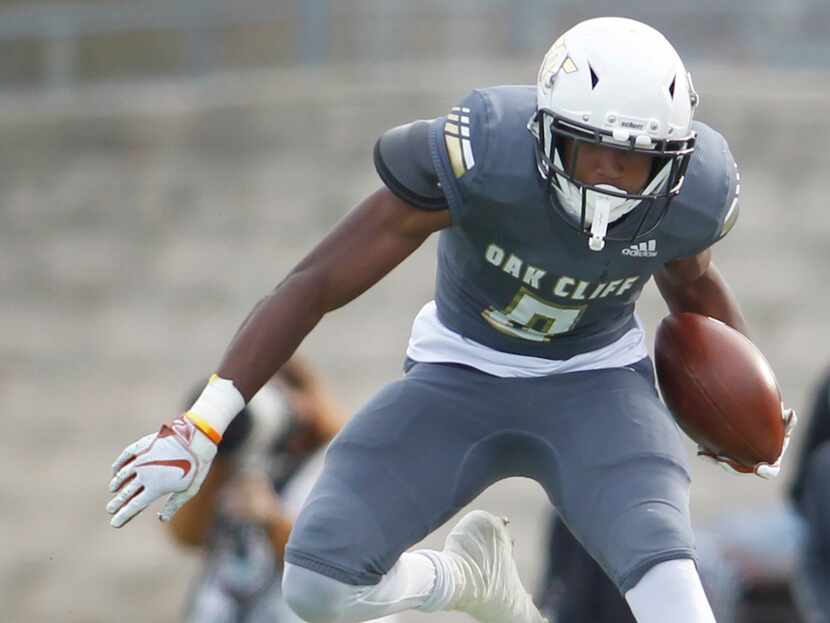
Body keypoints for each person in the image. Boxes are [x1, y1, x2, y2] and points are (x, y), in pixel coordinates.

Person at [106, 17, 797, 623]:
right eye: (597, 151)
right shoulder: (487, 160)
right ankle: (465, 578)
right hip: (461, 372)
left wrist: (752, 406)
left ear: (673, 162)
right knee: (316, 585)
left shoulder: (692, 195)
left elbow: (692, 281)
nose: (616, 178)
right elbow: (315, 280)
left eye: (639, 159)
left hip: (599, 387)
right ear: (549, 134)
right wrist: (202, 422)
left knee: (677, 598)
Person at [165, 357, 358, 623]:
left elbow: (338, 560)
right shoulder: (235, 460)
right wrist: (219, 452)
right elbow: (185, 535)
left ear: (307, 397)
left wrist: (271, 519)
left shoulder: (339, 462)